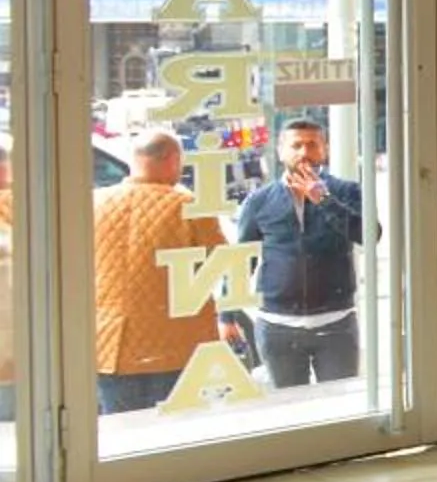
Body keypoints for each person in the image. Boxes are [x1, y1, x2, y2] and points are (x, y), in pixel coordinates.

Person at [91, 128, 229, 413]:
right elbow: (221, 262)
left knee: (123, 435)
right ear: (172, 159)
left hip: (111, 347)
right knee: (175, 435)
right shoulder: (188, 205)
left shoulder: (94, 203)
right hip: (176, 347)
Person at [230, 114, 365, 386]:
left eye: (313, 144)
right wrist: (226, 315)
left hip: (336, 324)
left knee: (342, 409)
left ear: (324, 150)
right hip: (278, 327)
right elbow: (241, 260)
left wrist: (323, 199)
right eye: (296, 145)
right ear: (281, 151)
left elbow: (368, 234)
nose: (304, 152)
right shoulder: (259, 201)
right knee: (290, 410)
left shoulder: (346, 191)